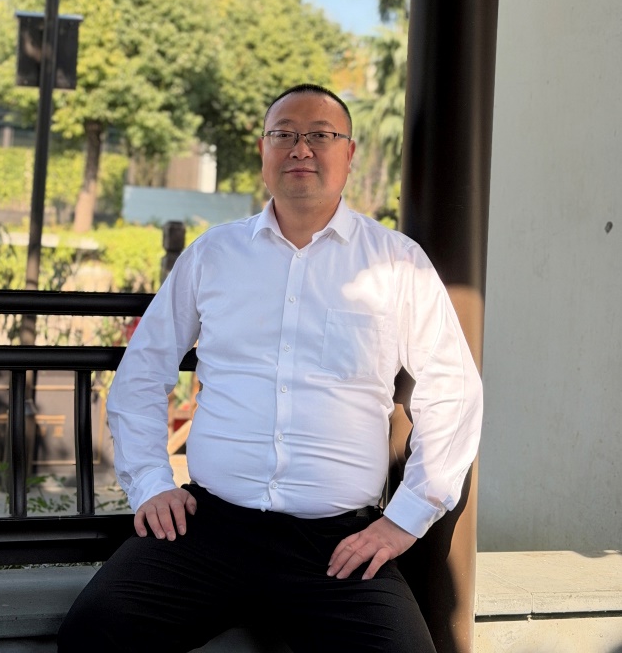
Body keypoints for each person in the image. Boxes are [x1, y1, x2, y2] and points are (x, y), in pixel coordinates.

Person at [58, 84, 482, 653]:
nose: (300, 148)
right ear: (263, 151)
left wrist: (404, 518)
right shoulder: (214, 255)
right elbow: (142, 371)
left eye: (320, 135)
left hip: (337, 544)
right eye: (284, 134)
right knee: (93, 633)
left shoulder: (396, 264)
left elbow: (453, 392)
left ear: (349, 154)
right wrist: (152, 483)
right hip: (208, 528)